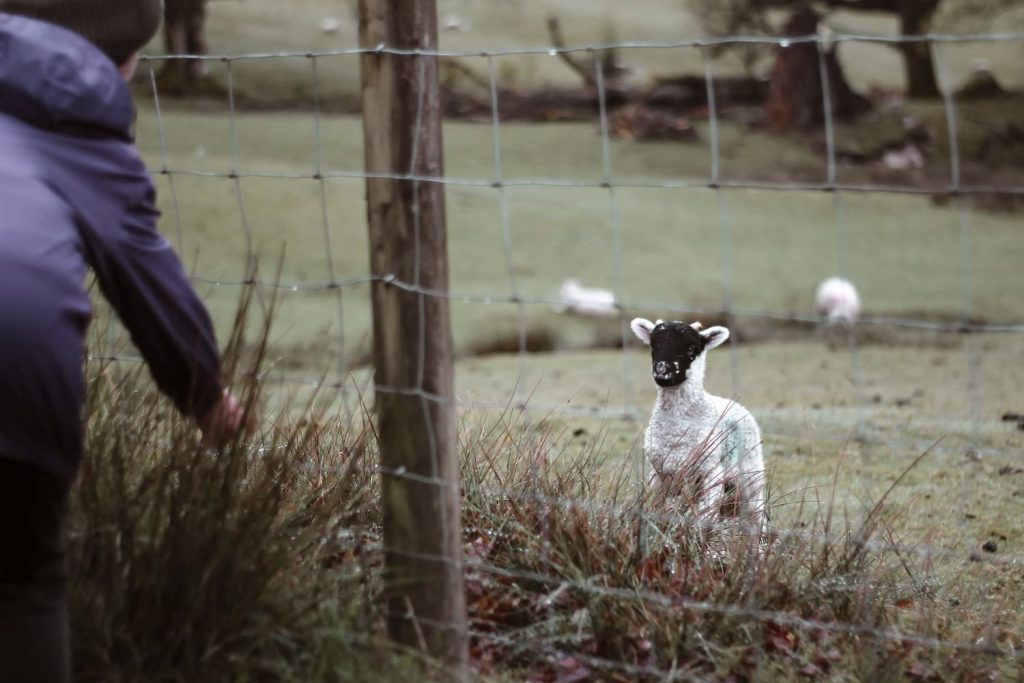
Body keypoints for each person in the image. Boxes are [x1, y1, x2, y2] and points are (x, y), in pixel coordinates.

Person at [0, 3, 243, 680]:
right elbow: (144, 272)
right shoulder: (79, 119)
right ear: (128, 60)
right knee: (20, 584)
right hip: (16, 355)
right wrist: (206, 396)